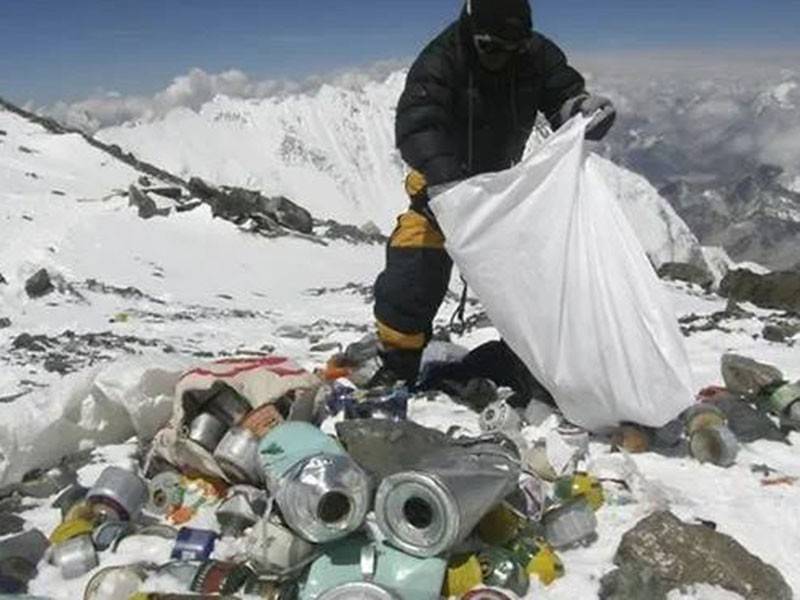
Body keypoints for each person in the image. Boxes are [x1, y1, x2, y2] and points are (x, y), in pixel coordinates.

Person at [371, 0, 616, 387]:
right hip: (439, 189)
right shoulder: (441, 59)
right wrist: (447, 182)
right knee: (415, 269)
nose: (502, 57)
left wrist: (580, 110)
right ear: (471, 30)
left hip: (503, 192)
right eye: (492, 47)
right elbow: (418, 124)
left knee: (533, 276)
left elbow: (561, 95)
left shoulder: (536, 54)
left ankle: (530, 362)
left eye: (513, 48)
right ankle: (397, 364)